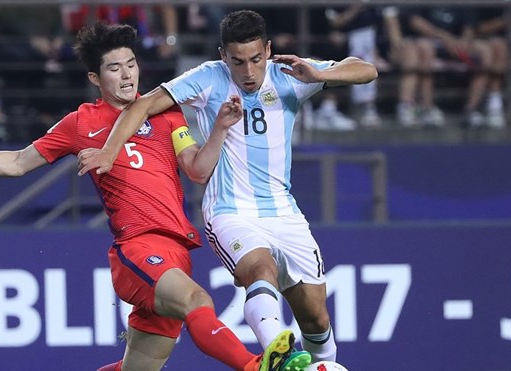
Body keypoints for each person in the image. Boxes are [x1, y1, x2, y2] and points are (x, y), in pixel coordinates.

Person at [0, 22, 307, 371]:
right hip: (137, 249)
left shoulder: (166, 115)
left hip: (177, 251)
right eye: (114, 68)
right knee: (197, 300)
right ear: (96, 78)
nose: (127, 75)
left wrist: (219, 127)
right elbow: (16, 162)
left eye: (131, 64)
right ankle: (257, 364)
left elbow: (198, 171)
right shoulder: (82, 121)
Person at [77, 9, 378, 366]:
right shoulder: (207, 78)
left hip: (285, 212)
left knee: (316, 318)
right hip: (230, 212)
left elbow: (366, 69)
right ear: (223, 56)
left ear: (267, 50)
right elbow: (143, 104)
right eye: (237, 62)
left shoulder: (292, 73)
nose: (248, 72)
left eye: (255, 59)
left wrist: (321, 74)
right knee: (259, 269)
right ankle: (278, 355)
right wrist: (109, 151)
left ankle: (316, 362)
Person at [408, 6, 508, 129]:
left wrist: (464, 41)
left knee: (485, 52)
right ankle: (426, 108)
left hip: (457, 43)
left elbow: (469, 27)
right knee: (425, 49)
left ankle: (470, 110)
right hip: (430, 40)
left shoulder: (462, 4)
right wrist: (443, 37)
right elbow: (415, 22)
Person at [381, 6, 446, 128]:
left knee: (427, 48)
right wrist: (399, 45)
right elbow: (395, 37)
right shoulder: (390, 7)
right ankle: (405, 106)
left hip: (414, 46)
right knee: (411, 54)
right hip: (388, 47)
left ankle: (427, 107)